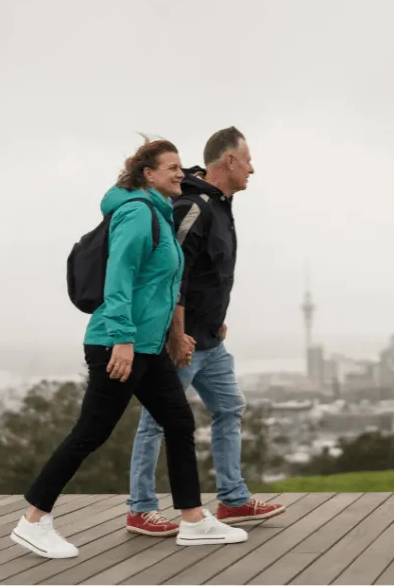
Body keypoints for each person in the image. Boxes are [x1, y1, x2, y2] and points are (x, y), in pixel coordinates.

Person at [10, 138, 248, 559]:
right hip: (117, 343)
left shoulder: (159, 214)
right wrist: (121, 338)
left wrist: (173, 336)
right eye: (172, 168)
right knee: (91, 432)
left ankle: (192, 519)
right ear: (148, 175)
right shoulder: (138, 214)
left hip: (147, 346)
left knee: (178, 422)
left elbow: (164, 285)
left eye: (180, 167)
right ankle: (33, 521)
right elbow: (119, 278)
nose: (181, 173)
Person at [125, 127, 285, 537]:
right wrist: (176, 335)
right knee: (157, 422)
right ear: (229, 162)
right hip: (182, 342)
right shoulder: (193, 206)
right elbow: (171, 273)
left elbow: (208, 275)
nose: (253, 167)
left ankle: (232, 501)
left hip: (210, 339)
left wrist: (216, 316)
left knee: (230, 408)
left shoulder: (220, 205)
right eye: (247, 159)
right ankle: (140, 509)